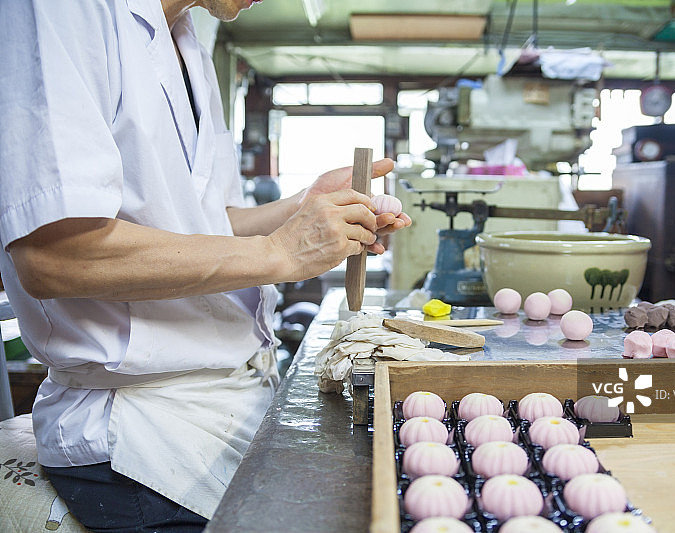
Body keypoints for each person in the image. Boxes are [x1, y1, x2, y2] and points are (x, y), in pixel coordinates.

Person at [0, 0, 411, 531]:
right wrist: (281, 252)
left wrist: (298, 209)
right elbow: (54, 254)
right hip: (139, 430)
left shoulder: (189, 39)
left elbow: (201, 223)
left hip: (228, 404)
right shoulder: (62, 10)